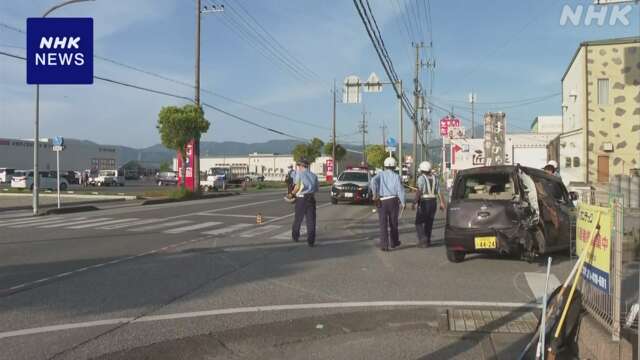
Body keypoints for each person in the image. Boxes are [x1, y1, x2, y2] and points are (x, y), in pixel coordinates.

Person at [370, 157, 406, 252]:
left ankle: (384, 245)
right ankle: (394, 242)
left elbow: (373, 181)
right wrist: (403, 202)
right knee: (393, 223)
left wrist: (375, 193)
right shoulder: (397, 176)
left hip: (382, 201)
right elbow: (400, 190)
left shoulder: (380, 175)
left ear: (385, 166)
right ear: (394, 166)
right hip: (394, 200)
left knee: (383, 224)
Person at [412, 161, 446, 248]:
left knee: (418, 222)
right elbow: (439, 192)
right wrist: (442, 203)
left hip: (424, 202)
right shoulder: (435, 178)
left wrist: (414, 202)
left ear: (422, 169)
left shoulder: (421, 178)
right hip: (433, 202)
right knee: (429, 222)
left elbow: (419, 191)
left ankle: (423, 239)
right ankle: (428, 241)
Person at [290, 158, 319, 247]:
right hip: (311, 198)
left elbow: (297, 186)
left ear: (302, 166)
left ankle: (295, 236)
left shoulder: (299, 174)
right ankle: (311, 241)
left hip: (301, 198)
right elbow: (316, 189)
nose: (298, 167)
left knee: (298, 218)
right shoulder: (314, 176)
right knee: (311, 220)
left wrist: (291, 194)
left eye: (298, 165)